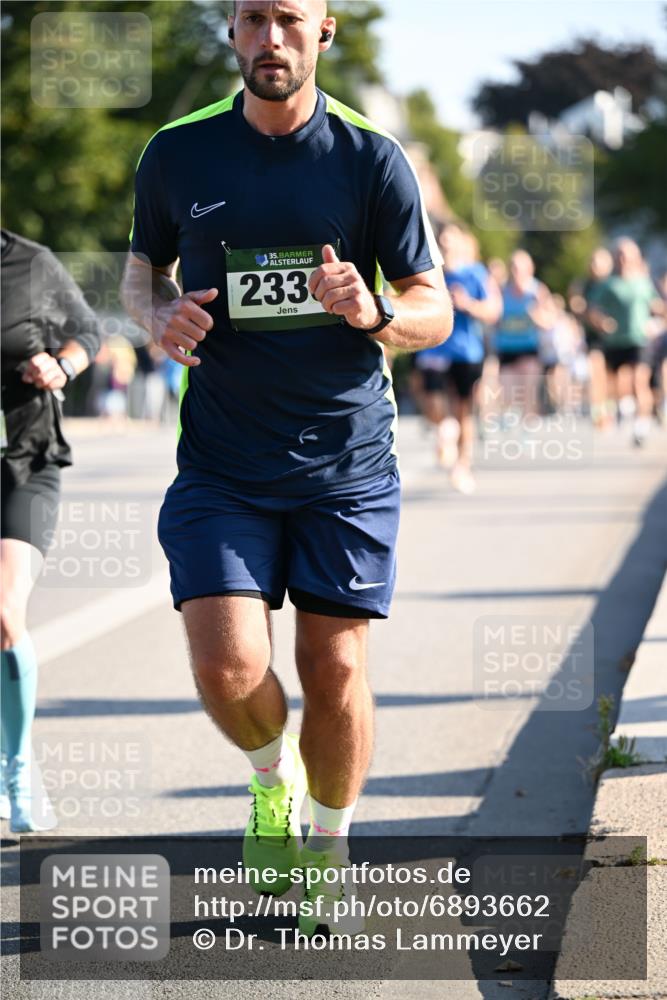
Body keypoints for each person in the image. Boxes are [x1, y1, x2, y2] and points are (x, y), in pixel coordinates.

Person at [120, 0, 451, 934]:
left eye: (291, 21)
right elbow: (141, 269)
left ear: (325, 32)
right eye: (254, 19)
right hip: (222, 459)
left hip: (346, 461)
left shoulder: (369, 158)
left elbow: (436, 308)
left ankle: (331, 847)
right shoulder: (177, 151)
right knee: (228, 663)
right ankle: (275, 783)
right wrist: (155, 320)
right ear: (230, 30)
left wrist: (376, 314)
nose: (272, 38)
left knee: (334, 667)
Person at [1, 229, 100, 832]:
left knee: (5, 612)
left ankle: (16, 767)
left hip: (25, 460)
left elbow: (87, 332)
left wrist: (59, 364)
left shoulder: (30, 261)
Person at [414, 222, 500, 493]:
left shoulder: (475, 273)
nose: (446, 244)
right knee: (432, 403)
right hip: (434, 350)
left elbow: (493, 310)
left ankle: (462, 466)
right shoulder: (431, 272)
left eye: (451, 239)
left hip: (466, 351)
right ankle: (444, 427)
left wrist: (468, 305)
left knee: (464, 412)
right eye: (442, 240)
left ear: (461, 243)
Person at [587, 238, 662, 446]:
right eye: (619, 254)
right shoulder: (608, 284)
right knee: (621, 384)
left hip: (640, 339)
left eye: (627, 255)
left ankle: (641, 427)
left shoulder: (644, 281)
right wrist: (601, 322)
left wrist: (656, 321)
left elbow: (657, 305)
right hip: (615, 341)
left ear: (635, 257)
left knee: (639, 380)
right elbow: (592, 309)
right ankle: (625, 410)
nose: (623, 259)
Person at [494, 249, 555, 419]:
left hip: (529, 348)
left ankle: (527, 433)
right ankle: (515, 423)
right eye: (513, 267)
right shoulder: (502, 290)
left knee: (528, 393)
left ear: (530, 269)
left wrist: (536, 315)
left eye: (521, 268)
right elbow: (494, 318)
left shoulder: (537, 291)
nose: (517, 271)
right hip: (506, 349)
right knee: (508, 395)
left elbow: (550, 322)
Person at [568, 247, 613, 429]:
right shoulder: (585, 285)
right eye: (593, 262)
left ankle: (612, 407)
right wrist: (589, 315)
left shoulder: (613, 283)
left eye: (600, 262)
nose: (596, 266)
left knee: (611, 376)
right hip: (594, 336)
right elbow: (577, 306)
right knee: (596, 370)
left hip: (616, 336)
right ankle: (598, 411)